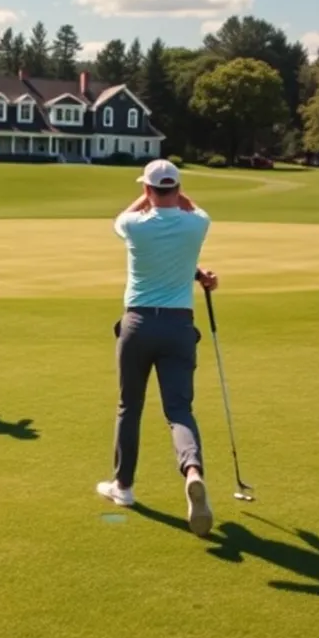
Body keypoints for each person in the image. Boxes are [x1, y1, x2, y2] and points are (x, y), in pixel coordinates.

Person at [95, 158, 221, 537]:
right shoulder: (198, 223)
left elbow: (124, 215)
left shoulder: (133, 224)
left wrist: (145, 196)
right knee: (179, 409)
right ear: (178, 190)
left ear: (148, 190)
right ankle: (193, 471)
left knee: (129, 406)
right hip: (179, 326)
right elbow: (189, 207)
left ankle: (124, 488)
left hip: (138, 324)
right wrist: (200, 273)